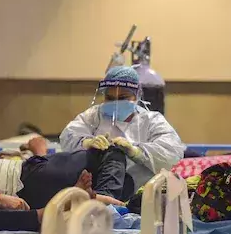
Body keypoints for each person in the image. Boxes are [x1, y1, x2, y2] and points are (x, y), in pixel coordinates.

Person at [59, 66, 186, 199]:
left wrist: (137, 152)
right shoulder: (94, 116)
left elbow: (171, 151)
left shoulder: (151, 121)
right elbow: (69, 135)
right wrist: (86, 142)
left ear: (136, 95)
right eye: (110, 98)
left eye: (123, 97)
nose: (116, 103)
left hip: (141, 195)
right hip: (96, 190)